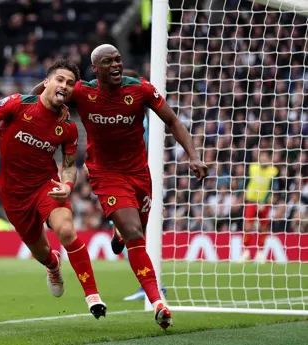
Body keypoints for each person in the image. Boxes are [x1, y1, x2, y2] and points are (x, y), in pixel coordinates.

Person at [30, 44, 209, 329]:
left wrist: (194, 156)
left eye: (118, 60)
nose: (116, 65)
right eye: (108, 61)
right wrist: (52, 93)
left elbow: (173, 120)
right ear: (95, 69)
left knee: (136, 229)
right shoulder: (82, 92)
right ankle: (158, 302)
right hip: (107, 174)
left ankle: (120, 232)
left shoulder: (140, 89)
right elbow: (38, 95)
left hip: (139, 175)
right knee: (136, 233)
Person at [0, 59, 107, 319]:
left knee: (65, 229)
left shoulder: (69, 128)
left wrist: (68, 185)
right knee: (41, 253)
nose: (64, 85)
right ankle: (52, 264)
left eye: (70, 83)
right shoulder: (17, 104)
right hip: (13, 195)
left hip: (45, 187)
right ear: (47, 82)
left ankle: (92, 295)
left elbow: (70, 166)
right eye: (59, 79)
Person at [242, 151, 278, 263]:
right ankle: (246, 252)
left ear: (268, 159)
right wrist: (242, 193)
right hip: (251, 200)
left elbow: (273, 187)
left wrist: (264, 201)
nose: (263, 159)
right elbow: (247, 181)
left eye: (265, 157)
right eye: (261, 157)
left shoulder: (273, 171)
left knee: (263, 227)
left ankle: (261, 253)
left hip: (265, 202)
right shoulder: (253, 167)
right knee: (248, 226)